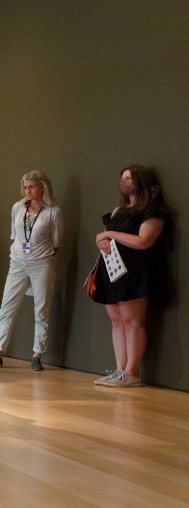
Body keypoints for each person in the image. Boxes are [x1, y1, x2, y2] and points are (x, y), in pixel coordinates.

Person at [0, 170, 63, 372]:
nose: (28, 191)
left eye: (32, 187)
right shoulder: (17, 208)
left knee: (41, 310)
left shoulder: (53, 212)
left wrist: (39, 257)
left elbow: (56, 242)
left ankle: (37, 355)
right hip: (17, 262)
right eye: (25, 187)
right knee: (7, 308)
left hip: (42, 264)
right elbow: (15, 235)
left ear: (42, 188)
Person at [91, 166, 169, 387]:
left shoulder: (152, 210)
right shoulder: (118, 211)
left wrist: (109, 233)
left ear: (141, 182)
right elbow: (102, 237)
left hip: (135, 272)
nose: (123, 182)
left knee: (132, 321)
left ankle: (131, 372)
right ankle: (119, 370)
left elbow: (144, 241)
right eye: (121, 178)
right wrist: (102, 239)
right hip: (113, 271)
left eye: (128, 178)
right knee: (117, 322)